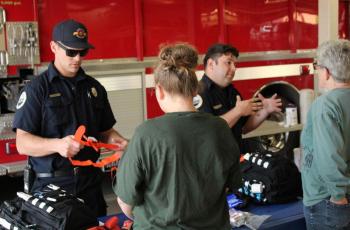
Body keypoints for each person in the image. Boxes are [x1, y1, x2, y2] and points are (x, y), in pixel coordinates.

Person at [114, 43, 242, 229]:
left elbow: (125, 202)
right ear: (195, 90)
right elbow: (230, 185)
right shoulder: (220, 128)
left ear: (159, 90)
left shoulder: (146, 133)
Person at [13, 19, 128, 217]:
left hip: (90, 186)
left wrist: (116, 140)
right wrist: (57, 145)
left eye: (82, 52)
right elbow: (22, 143)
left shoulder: (94, 89)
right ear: (54, 47)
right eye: (71, 52)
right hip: (52, 188)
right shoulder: (37, 90)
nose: (77, 58)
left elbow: (105, 132)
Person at [301, 39, 350, 230]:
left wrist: (338, 195)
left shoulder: (326, 105)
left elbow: (329, 156)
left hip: (327, 200)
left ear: (327, 71)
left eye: (317, 67)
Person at [196, 43, 282, 151]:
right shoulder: (199, 93)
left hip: (235, 158)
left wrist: (265, 111)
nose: (234, 68)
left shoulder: (232, 92)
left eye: (235, 64)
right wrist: (238, 111)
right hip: (214, 163)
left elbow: (244, 127)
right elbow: (209, 132)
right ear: (211, 64)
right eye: (228, 63)